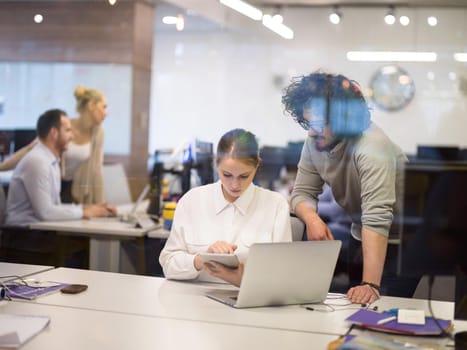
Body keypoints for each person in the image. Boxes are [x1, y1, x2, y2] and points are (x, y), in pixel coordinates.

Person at [281, 71, 415, 305]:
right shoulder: (315, 140)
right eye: (307, 123)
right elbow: (302, 192)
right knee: (355, 309)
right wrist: (312, 218)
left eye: (319, 124)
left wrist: (371, 283)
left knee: (384, 312)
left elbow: (376, 217)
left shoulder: (373, 146)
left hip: (403, 243)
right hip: (361, 233)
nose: (311, 131)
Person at [159, 128, 292, 286]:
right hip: (195, 303)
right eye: (227, 175)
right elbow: (168, 264)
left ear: (257, 166)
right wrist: (200, 259)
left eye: (244, 176)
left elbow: (283, 276)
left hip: (251, 303)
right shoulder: (192, 201)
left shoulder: (275, 205)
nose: (235, 185)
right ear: (216, 164)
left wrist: (243, 281)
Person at [5, 108, 116, 225]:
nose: (72, 136)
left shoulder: (52, 161)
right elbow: (46, 213)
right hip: (22, 234)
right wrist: (85, 213)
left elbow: (55, 207)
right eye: (68, 130)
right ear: (54, 133)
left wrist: (87, 209)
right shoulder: (37, 161)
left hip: (39, 231)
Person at [60, 85, 108, 204]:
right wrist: (5, 166)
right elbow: (32, 149)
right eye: (104, 107)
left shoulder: (99, 133)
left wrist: (100, 203)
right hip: (54, 188)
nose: (106, 113)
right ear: (91, 105)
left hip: (75, 192)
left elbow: (97, 170)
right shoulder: (64, 127)